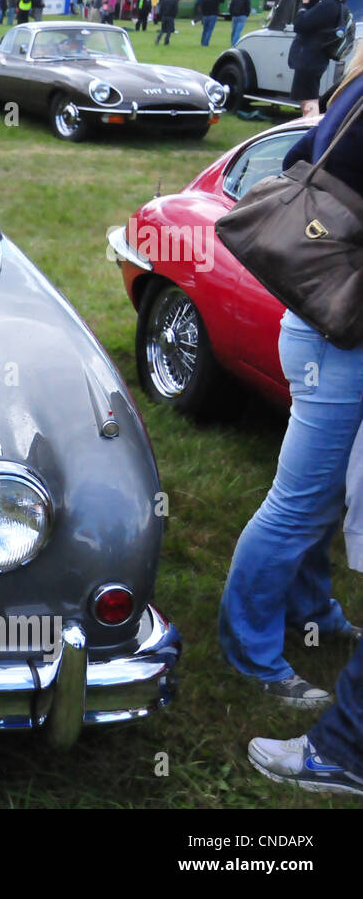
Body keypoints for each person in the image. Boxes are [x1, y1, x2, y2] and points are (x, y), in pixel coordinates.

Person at [222, 38, 363, 722]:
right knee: (301, 501)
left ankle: (313, 611)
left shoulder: (352, 89)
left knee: (327, 493)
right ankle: (249, 650)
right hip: (337, 328)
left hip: (321, 319)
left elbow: (288, 161)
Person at [290, 0, 348, 119]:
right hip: (314, 57)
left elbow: (300, 25)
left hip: (311, 58)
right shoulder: (330, 2)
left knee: (308, 99)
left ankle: (310, 127)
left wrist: (304, 5)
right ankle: (309, 125)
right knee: (307, 97)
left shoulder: (328, 4)